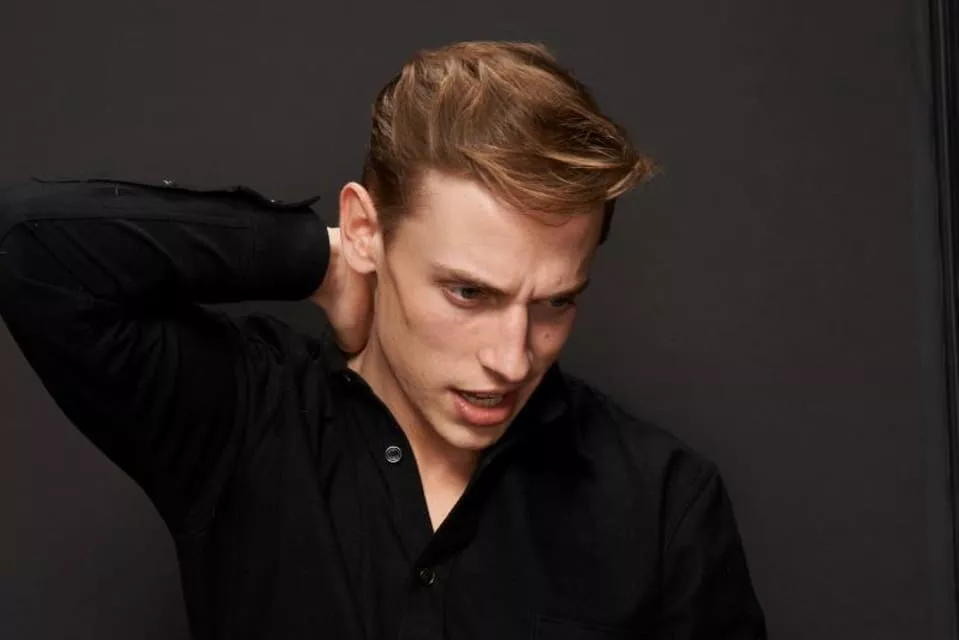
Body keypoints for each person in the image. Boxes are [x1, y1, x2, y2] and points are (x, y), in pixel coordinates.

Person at [0, 41, 766, 639]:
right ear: (367, 228)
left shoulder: (662, 501)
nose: (511, 358)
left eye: (555, 304)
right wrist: (321, 260)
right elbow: (28, 242)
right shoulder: (244, 419)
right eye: (468, 293)